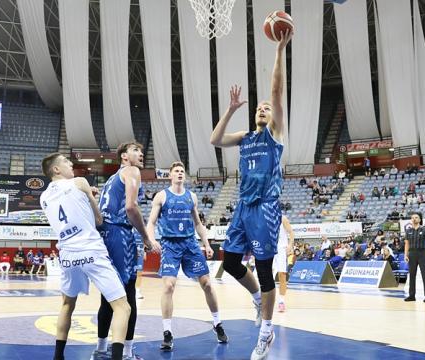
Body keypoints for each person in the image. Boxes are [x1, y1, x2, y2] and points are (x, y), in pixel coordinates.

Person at [209, 29, 292, 359]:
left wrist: (279, 50)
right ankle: (257, 299)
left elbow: (276, 90)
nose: (263, 108)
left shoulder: (275, 135)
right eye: (259, 108)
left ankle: (266, 334)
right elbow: (215, 140)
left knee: (263, 268)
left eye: (267, 108)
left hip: (265, 208)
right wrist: (230, 109)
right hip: (243, 207)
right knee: (229, 262)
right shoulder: (244, 137)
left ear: (274, 118)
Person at [40, 153, 131, 360]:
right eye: (65, 162)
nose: (70, 164)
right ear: (55, 169)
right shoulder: (80, 182)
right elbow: (98, 219)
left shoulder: (43, 197)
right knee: (122, 307)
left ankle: (58, 357)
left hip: (68, 255)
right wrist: (91, 197)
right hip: (90, 250)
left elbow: (69, 207)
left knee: (67, 305)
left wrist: (85, 196)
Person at [146, 161, 228, 351]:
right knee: (168, 286)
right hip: (170, 244)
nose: (180, 173)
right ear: (170, 176)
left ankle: (217, 323)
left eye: (182, 171)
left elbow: (198, 224)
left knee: (207, 283)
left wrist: (206, 244)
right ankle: (167, 332)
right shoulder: (161, 196)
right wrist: (151, 240)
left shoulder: (191, 196)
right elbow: (150, 222)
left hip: (190, 243)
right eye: (176, 171)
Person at [93, 141, 162, 360]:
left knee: (108, 295)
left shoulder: (111, 179)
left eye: (141, 151)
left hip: (104, 233)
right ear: (124, 156)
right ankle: (127, 353)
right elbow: (131, 208)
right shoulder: (131, 171)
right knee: (128, 295)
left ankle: (101, 349)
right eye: (135, 150)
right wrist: (146, 237)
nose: (141, 154)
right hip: (118, 233)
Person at [404, 212, 425, 303]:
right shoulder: (408, 231)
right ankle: (412, 295)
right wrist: (406, 254)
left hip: (422, 253)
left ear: (420, 219)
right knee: (412, 276)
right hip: (412, 254)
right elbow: (407, 244)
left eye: (416, 217)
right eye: (412, 217)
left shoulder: (424, 230)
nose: (414, 219)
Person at [272, 215, 294, 313]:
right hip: (269, 249)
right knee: (268, 276)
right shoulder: (264, 217)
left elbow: (291, 232)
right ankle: (266, 300)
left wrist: (290, 245)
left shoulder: (283, 218)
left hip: (281, 249)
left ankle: (281, 301)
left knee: (282, 275)